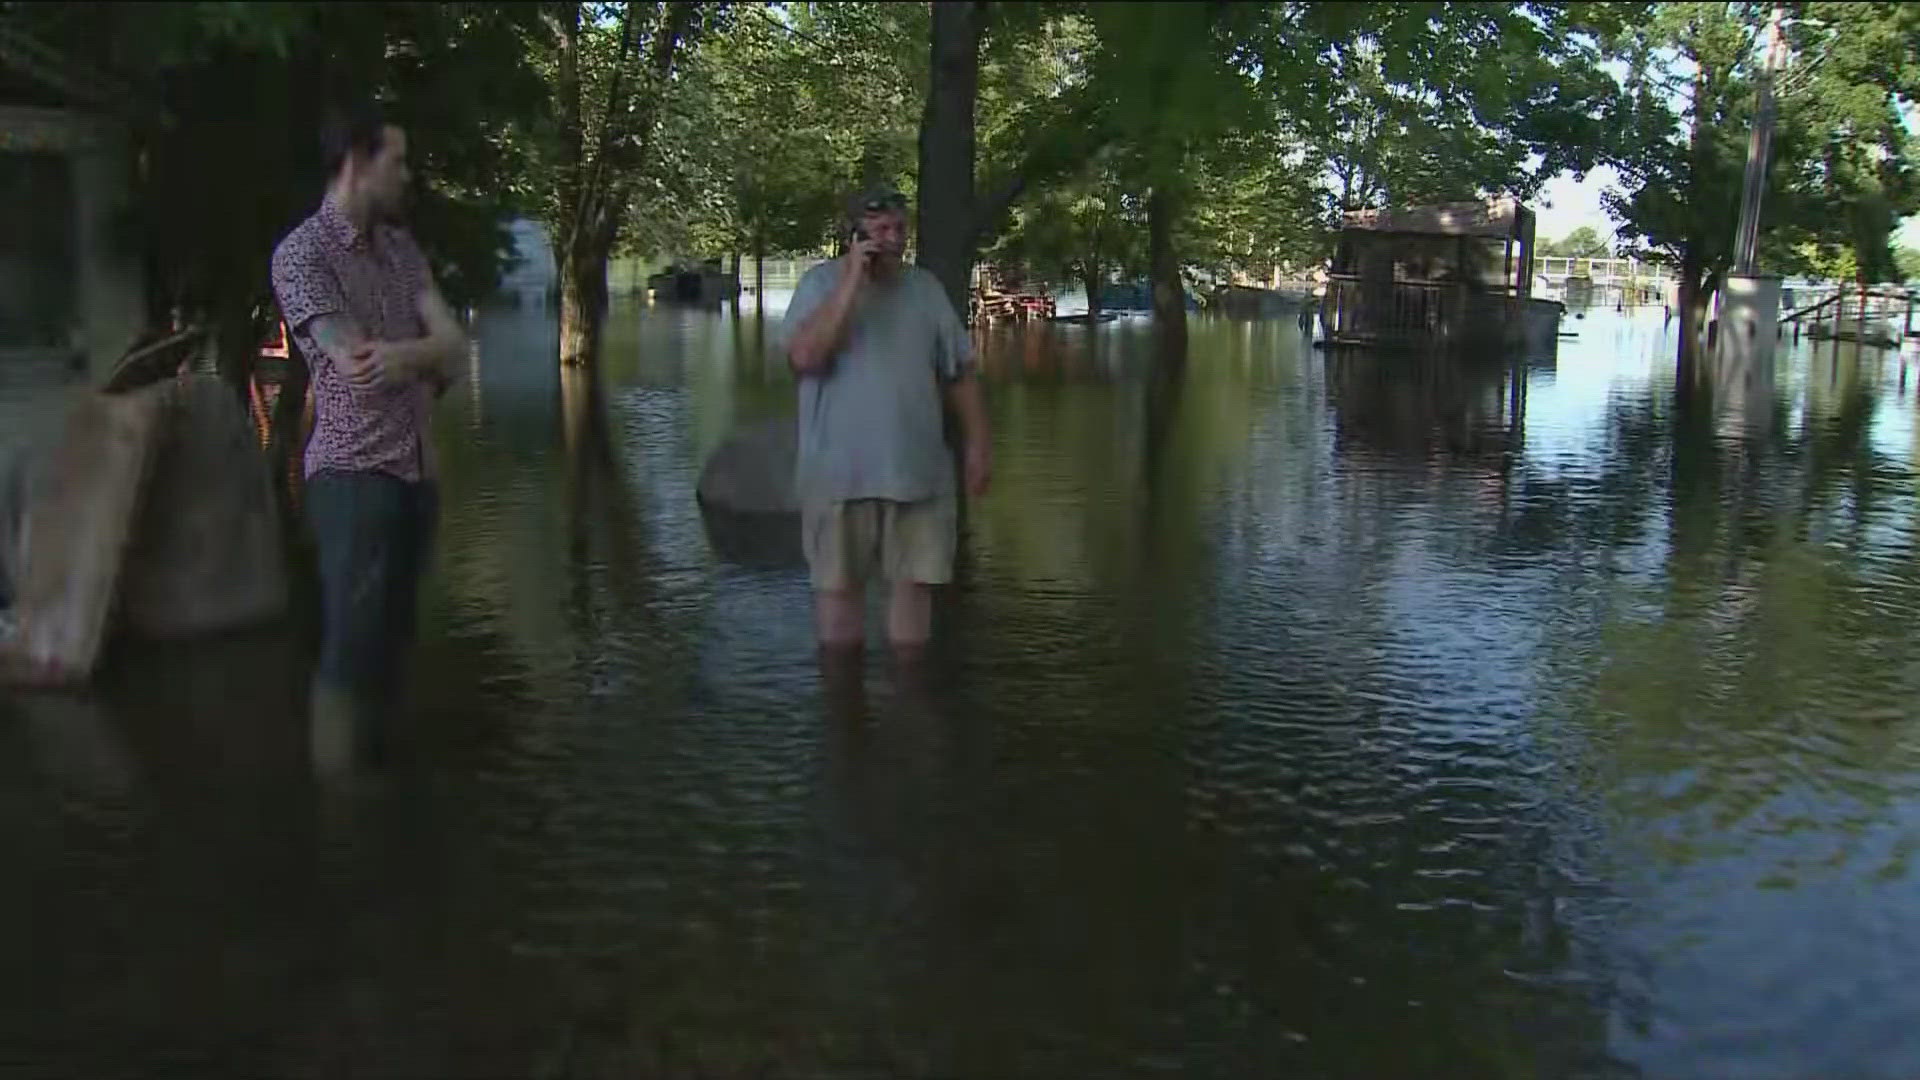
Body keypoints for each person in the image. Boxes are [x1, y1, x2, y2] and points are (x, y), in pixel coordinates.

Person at [270, 103, 468, 772]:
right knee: (348, 649)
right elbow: (358, 370)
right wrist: (424, 354)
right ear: (357, 164)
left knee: (394, 646)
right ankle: (342, 821)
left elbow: (457, 347)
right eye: (398, 161)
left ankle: (382, 794)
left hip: (416, 475)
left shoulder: (402, 250)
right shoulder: (302, 255)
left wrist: (408, 356)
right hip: (352, 478)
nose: (408, 175)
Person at [782, 184, 991, 654]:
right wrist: (853, 279)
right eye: (880, 228)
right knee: (839, 628)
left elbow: (959, 373)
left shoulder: (926, 289)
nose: (893, 237)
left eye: (899, 227)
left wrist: (979, 445)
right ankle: (845, 716)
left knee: (913, 631)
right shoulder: (820, 285)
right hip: (837, 477)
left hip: (918, 474)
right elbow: (805, 358)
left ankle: (910, 712)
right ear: (855, 233)